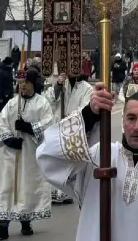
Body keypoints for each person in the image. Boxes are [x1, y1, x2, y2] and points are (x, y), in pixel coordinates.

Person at [36, 87, 138, 240]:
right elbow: (48, 157)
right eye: (131, 118)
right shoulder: (100, 156)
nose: (137, 127)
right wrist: (89, 116)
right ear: (123, 120)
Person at [0, 68, 54, 239]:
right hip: (13, 153)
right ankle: (3, 225)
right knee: (8, 186)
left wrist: (29, 127)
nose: (22, 88)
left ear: (33, 84)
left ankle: (26, 221)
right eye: (20, 84)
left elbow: (48, 123)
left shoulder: (42, 103)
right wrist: (9, 138)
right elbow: (2, 121)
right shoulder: (12, 103)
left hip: (31, 154)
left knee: (27, 187)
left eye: (26, 84)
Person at [47, 71, 93, 206]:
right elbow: (50, 101)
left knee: (72, 162)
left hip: (74, 128)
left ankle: (69, 192)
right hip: (59, 126)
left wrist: (69, 118)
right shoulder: (63, 84)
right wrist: (58, 86)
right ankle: (56, 191)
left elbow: (84, 108)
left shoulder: (86, 88)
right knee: (58, 160)